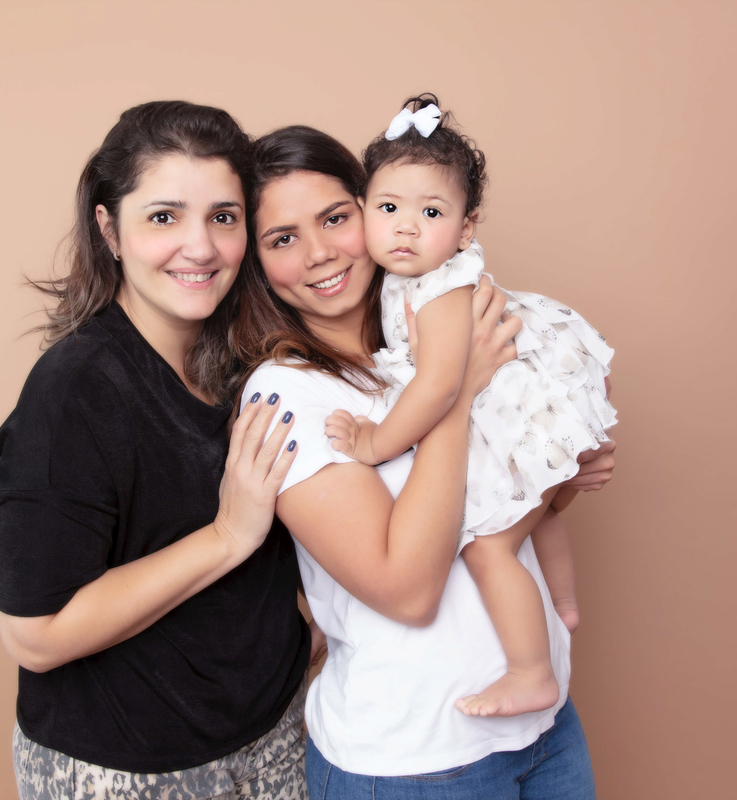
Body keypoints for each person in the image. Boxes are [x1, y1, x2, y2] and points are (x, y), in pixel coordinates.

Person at [231, 125, 615, 798]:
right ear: (257, 263)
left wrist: (563, 474)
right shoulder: (287, 393)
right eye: (282, 239)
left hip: (545, 731)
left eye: (334, 218)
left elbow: (506, 508)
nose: (319, 253)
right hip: (416, 760)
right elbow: (407, 591)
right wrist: (456, 396)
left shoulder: (423, 331)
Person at [0, 101, 317, 800]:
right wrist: (228, 536)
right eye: (164, 217)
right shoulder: (74, 391)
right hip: (129, 771)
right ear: (109, 228)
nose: (199, 247)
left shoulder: (253, 361)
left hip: (275, 741)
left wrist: (547, 466)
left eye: (223, 218)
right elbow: (35, 635)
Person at [325, 94, 618, 718]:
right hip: (526, 401)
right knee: (532, 512)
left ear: (466, 227)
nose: (405, 226)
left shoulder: (439, 287)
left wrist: (375, 442)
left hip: (517, 396)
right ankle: (562, 605)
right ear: (364, 212)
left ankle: (531, 670)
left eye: (430, 211)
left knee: (488, 548)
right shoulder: (406, 279)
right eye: (388, 208)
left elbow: (438, 386)